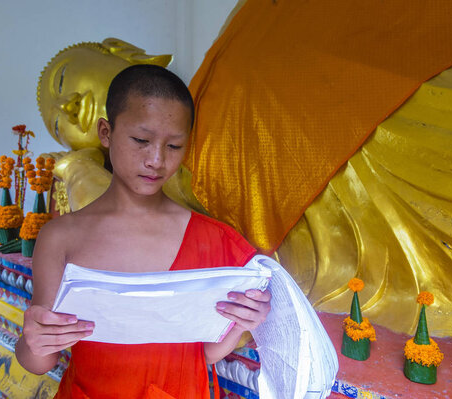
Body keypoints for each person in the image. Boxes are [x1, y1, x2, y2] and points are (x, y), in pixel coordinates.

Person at [15, 64, 271, 398]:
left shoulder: (215, 240)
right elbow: (40, 361)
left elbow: (201, 353)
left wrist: (242, 323)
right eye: (141, 140)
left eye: (174, 146)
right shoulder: (62, 238)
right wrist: (34, 339)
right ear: (106, 132)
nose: (156, 160)